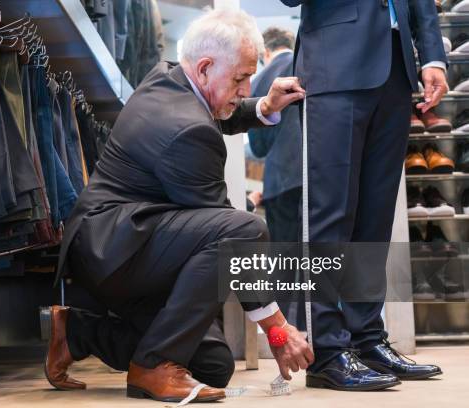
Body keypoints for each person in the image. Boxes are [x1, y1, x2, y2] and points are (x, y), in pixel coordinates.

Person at [46, 9, 312, 403]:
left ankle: (78, 333)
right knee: (244, 228)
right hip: (112, 252)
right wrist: (277, 328)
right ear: (205, 67)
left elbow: (215, 107)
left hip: (126, 244)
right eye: (241, 79)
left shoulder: (170, 77)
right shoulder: (188, 130)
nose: (246, 88)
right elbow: (233, 241)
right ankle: (152, 368)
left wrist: (263, 107)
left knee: (212, 364)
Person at [280, 0, 447, 391]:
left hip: (395, 66)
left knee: (375, 216)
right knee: (329, 212)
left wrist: (433, 56)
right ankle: (324, 348)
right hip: (335, 63)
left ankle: (366, 338)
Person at [247, 27, 304, 329]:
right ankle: (324, 330)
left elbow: (257, 146)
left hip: (281, 179)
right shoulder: (307, 62)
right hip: (317, 171)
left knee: (284, 259)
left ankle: (285, 333)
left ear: (265, 52)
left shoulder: (261, 79)